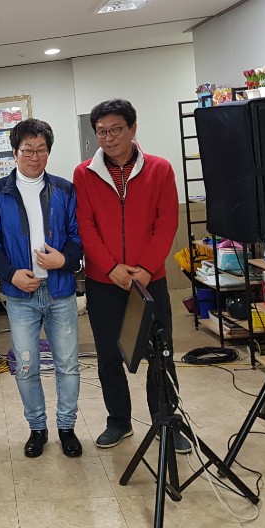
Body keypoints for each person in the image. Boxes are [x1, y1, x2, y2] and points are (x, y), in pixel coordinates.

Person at [72, 99, 187, 452]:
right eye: (101, 132)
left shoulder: (160, 169)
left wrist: (146, 268)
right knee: (108, 355)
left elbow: (166, 222)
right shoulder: (84, 173)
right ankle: (118, 421)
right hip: (104, 282)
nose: (109, 138)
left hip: (150, 280)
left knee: (160, 352)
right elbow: (85, 225)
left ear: (133, 129)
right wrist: (111, 268)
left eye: (116, 130)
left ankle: (166, 421)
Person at [0, 118, 84, 458]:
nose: (35, 157)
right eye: (28, 150)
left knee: (67, 364)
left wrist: (64, 260)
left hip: (60, 291)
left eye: (41, 150)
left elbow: (77, 236)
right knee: (26, 366)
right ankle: (37, 428)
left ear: (48, 152)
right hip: (20, 295)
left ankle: (66, 427)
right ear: (15, 152)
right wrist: (11, 275)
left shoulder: (64, 190)